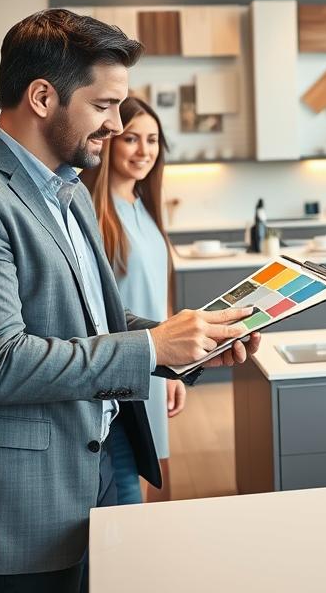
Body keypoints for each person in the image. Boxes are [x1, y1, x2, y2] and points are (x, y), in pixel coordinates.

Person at [0, 9, 260, 593]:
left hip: (91, 467)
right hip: (20, 502)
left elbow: (97, 317)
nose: (116, 125)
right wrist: (151, 346)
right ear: (42, 97)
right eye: (103, 106)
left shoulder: (68, 189)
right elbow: (0, 363)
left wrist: (189, 341)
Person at [81, 96, 182, 503]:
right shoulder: (91, 212)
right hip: (121, 368)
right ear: (108, 141)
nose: (144, 151)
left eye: (153, 140)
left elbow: (160, 292)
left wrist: (174, 369)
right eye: (131, 139)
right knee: (127, 491)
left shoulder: (145, 206)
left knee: (153, 479)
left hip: (156, 360)